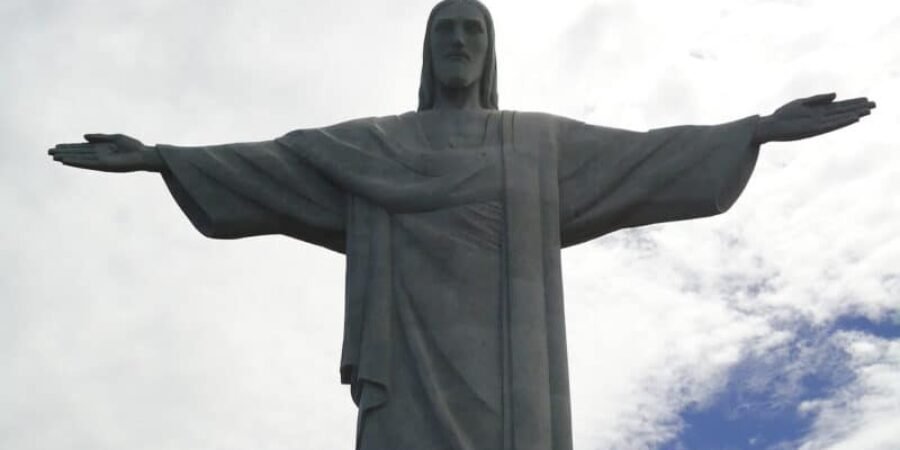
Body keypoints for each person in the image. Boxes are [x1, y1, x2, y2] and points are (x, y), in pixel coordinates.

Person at [48, 1, 875, 449]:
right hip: (406, 366)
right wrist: (160, 156)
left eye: (472, 31)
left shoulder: (536, 144)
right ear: (426, 50)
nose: (458, 41)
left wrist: (756, 129)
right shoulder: (373, 146)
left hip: (513, 380)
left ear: (488, 52)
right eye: (445, 30)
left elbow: (647, 157)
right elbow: (273, 164)